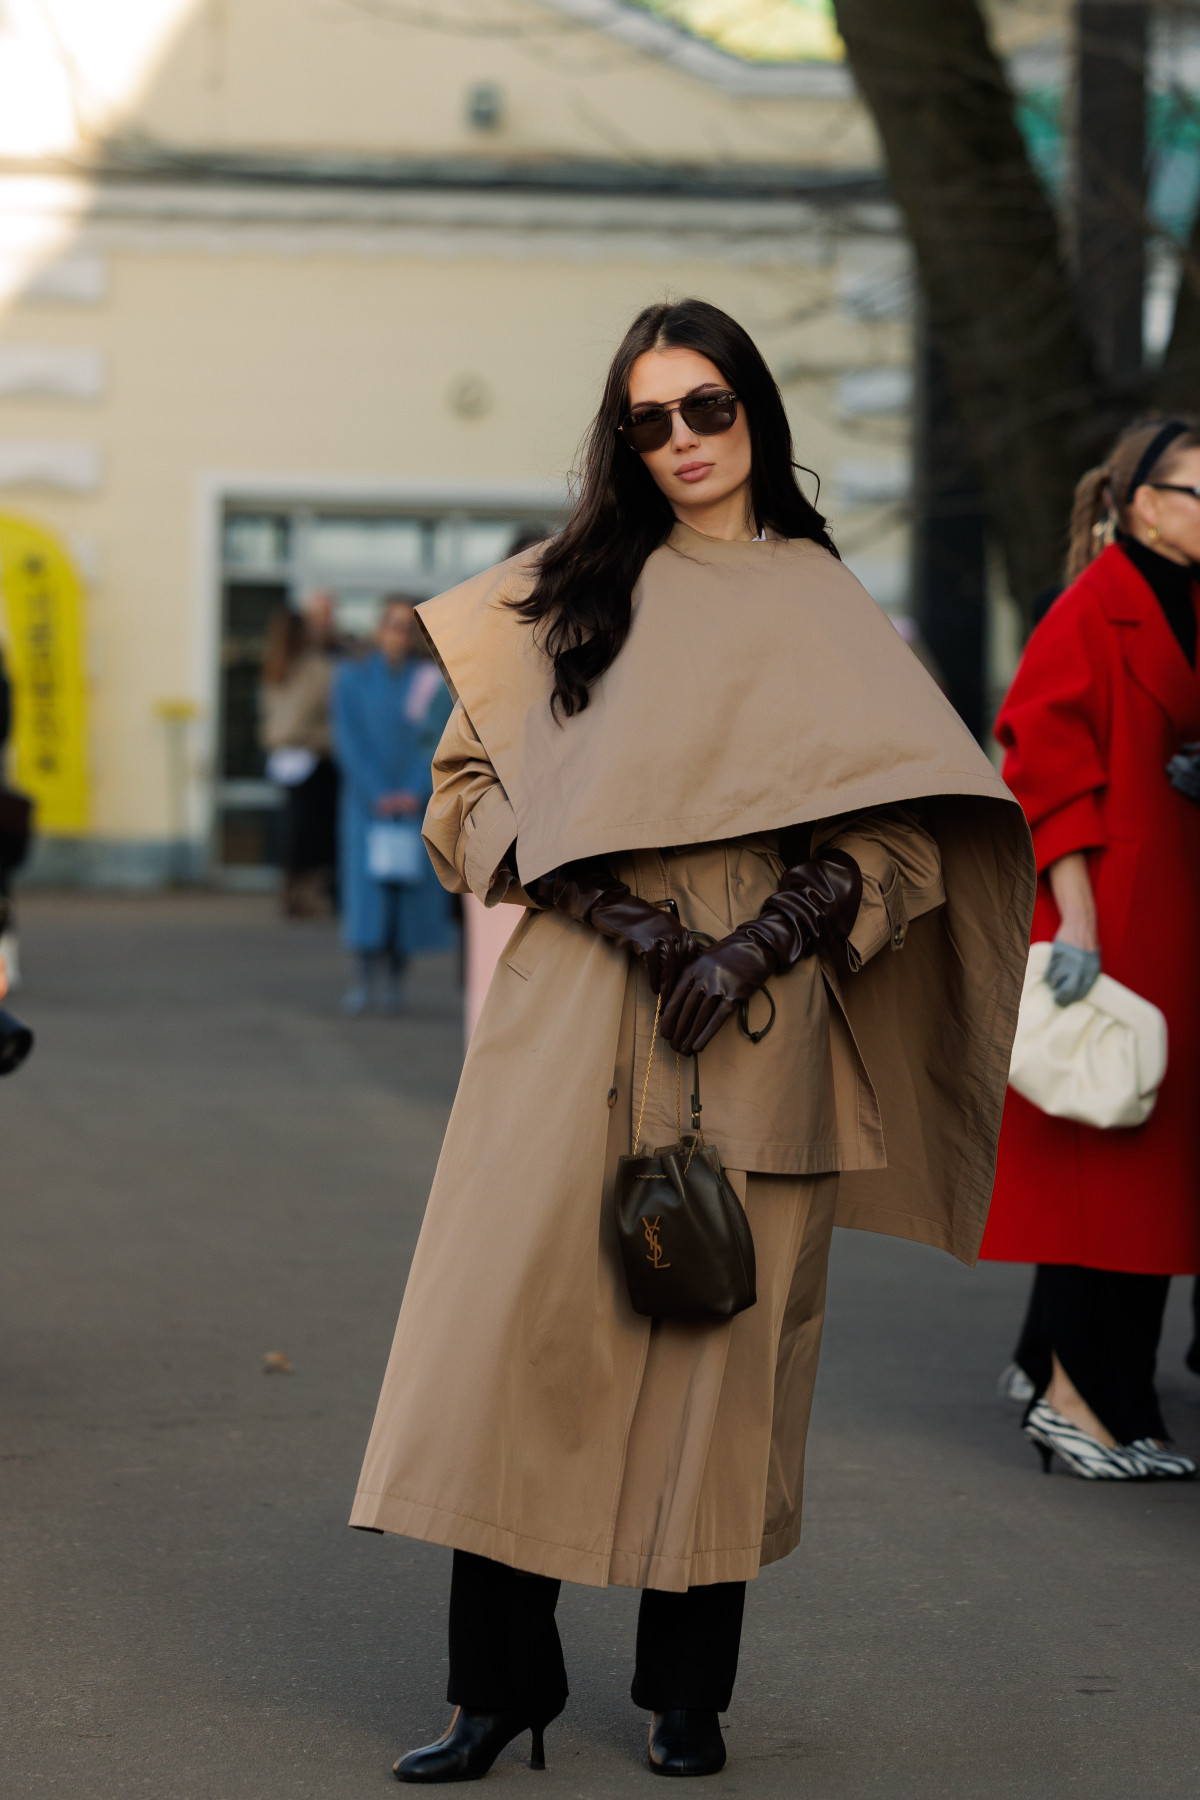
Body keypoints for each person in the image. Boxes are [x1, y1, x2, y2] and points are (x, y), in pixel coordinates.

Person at [349, 299, 1033, 1781]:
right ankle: (497, 1689)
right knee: (513, 1347)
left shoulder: (824, 601)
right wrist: (620, 908)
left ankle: (687, 1695)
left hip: (761, 1023)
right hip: (579, 1014)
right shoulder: (561, 590)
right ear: (623, 436)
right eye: (650, 420)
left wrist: (764, 937)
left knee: (724, 1365)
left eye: (707, 408)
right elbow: (464, 801)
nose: (682, 443)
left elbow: (908, 835)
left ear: (756, 415)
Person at [980, 417, 1200, 1481]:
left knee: (1152, 1182)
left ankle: (1120, 1404)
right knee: (1097, 1173)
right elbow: (1043, 764)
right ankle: (1073, 1403)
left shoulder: (1185, 602)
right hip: (1109, 921)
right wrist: (1079, 918)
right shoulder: (1092, 605)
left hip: (1172, 920)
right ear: (1143, 502)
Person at [332, 596, 454, 1013]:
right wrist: (378, 791)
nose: (398, 635)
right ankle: (362, 977)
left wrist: (414, 788)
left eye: (407, 627)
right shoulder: (351, 678)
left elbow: (438, 740)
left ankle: (396, 983)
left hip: (412, 805)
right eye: (392, 625)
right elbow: (348, 741)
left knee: (408, 897)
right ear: (378, 627)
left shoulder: (429, 681)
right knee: (368, 896)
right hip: (367, 808)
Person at [261, 591, 341, 917]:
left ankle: (289, 891)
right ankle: (307, 895)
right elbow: (328, 708)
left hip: (281, 755)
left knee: (292, 829)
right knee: (314, 833)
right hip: (313, 754)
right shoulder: (317, 666)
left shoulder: (275, 666)